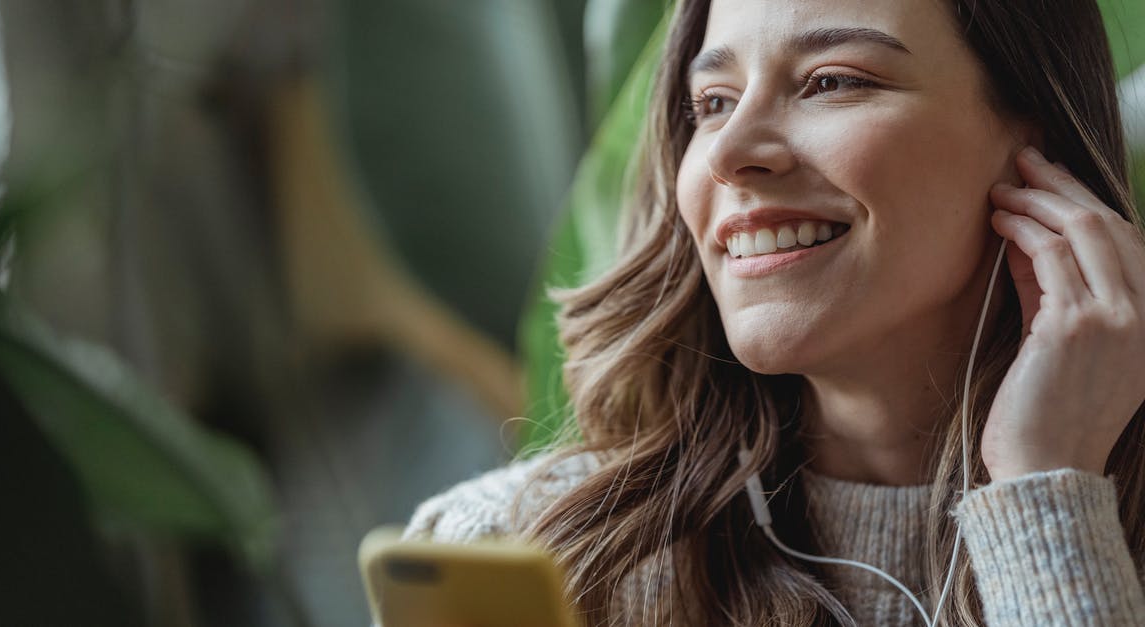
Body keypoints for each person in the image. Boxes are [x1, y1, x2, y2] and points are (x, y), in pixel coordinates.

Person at [401, 0, 1145, 624]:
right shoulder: (521, 555)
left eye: (831, 81)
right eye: (713, 102)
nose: (731, 152)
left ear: (1033, 140)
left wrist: (1045, 492)